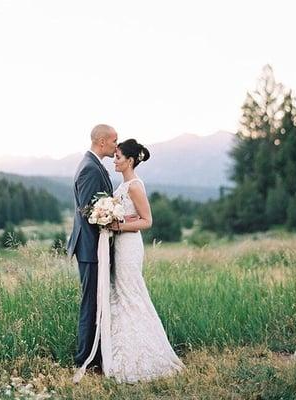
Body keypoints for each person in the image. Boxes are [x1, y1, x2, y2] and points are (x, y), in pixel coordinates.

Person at [105, 139, 184, 383]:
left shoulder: (135, 186)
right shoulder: (123, 184)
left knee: (131, 295)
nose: (114, 160)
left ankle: (146, 356)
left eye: (118, 157)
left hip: (129, 246)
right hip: (119, 244)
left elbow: (147, 221)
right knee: (122, 295)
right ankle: (124, 351)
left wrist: (118, 225)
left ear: (130, 160)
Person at [67, 124, 117, 371]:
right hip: (90, 248)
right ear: (101, 142)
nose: (116, 146)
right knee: (91, 303)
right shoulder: (89, 168)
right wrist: (111, 217)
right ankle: (84, 360)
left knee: (97, 300)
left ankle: (95, 355)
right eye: (114, 141)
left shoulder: (93, 164)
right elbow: (89, 211)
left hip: (93, 247)